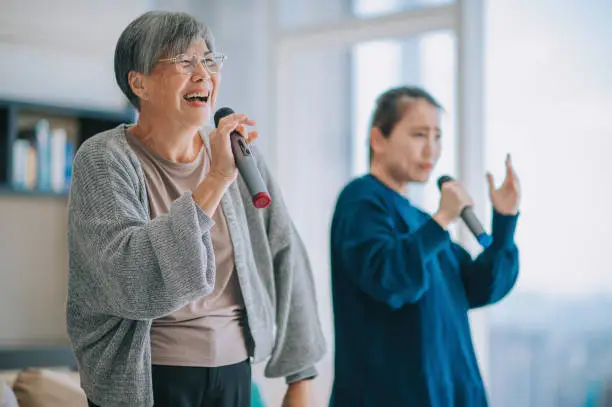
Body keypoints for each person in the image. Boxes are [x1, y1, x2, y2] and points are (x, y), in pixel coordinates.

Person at [66, 11, 325, 407]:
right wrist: (215, 181)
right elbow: (132, 279)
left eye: (208, 60)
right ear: (140, 83)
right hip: (149, 380)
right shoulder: (104, 158)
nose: (203, 73)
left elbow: (283, 249)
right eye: (184, 62)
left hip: (235, 371)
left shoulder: (237, 153)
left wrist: (302, 374)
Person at [329, 86, 520, 406]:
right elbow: (390, 280)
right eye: (419, 135)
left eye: (437, 136)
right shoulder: (361, 200)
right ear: (379, 139)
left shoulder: (422, 221)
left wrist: (504, 222)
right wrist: (444, 217)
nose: (432, 150)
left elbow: (480, 287)